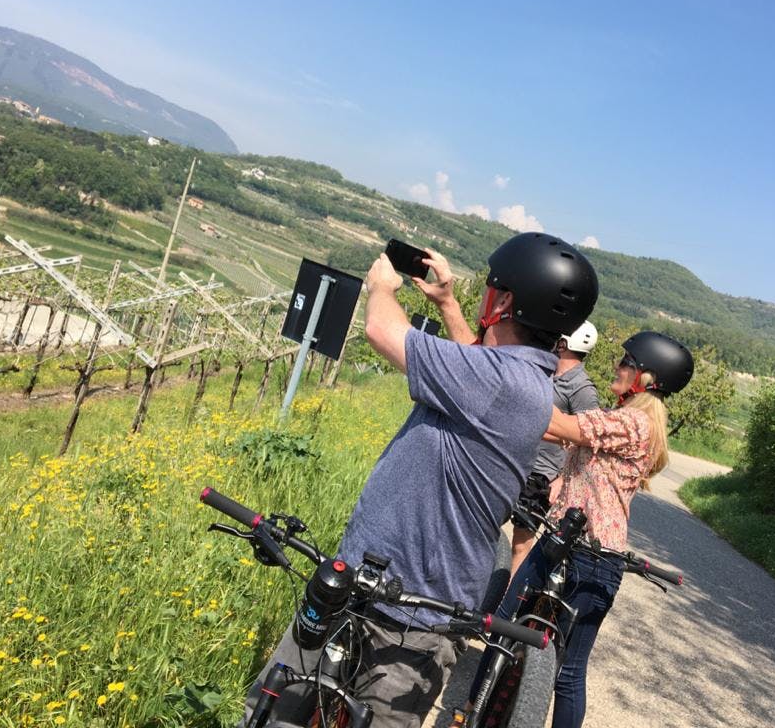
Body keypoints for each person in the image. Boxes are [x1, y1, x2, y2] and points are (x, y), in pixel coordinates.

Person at [237, 233, 599, 728]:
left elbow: (382, 331)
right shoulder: (517, 379)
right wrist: (449, 303)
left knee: (275, 715)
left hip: (411, 619)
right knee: (273, 712)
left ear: (506, 300)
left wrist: (381, 287)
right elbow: (476, 358)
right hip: (368, 589)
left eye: (492, 288)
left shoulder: (500, 382)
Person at [456, 330, 694, 728]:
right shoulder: (620, 420)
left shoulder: (634, 424)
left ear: (648, 379)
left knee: (535, 652)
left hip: (586, 556)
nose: (617, 368)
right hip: (575, 547)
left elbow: (563, 426)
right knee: (537, 651)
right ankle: (475, 713)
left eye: (626, 363)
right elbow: (552, 431)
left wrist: (512, 378)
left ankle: (470, 715)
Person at [509, 321, 600, 580]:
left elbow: (586, 439)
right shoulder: (547, 371)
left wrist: (562, 479)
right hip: (516, 460)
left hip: (542, 473)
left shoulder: (582, 390)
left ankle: (505, 602)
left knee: (521, 540)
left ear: (564, 343)